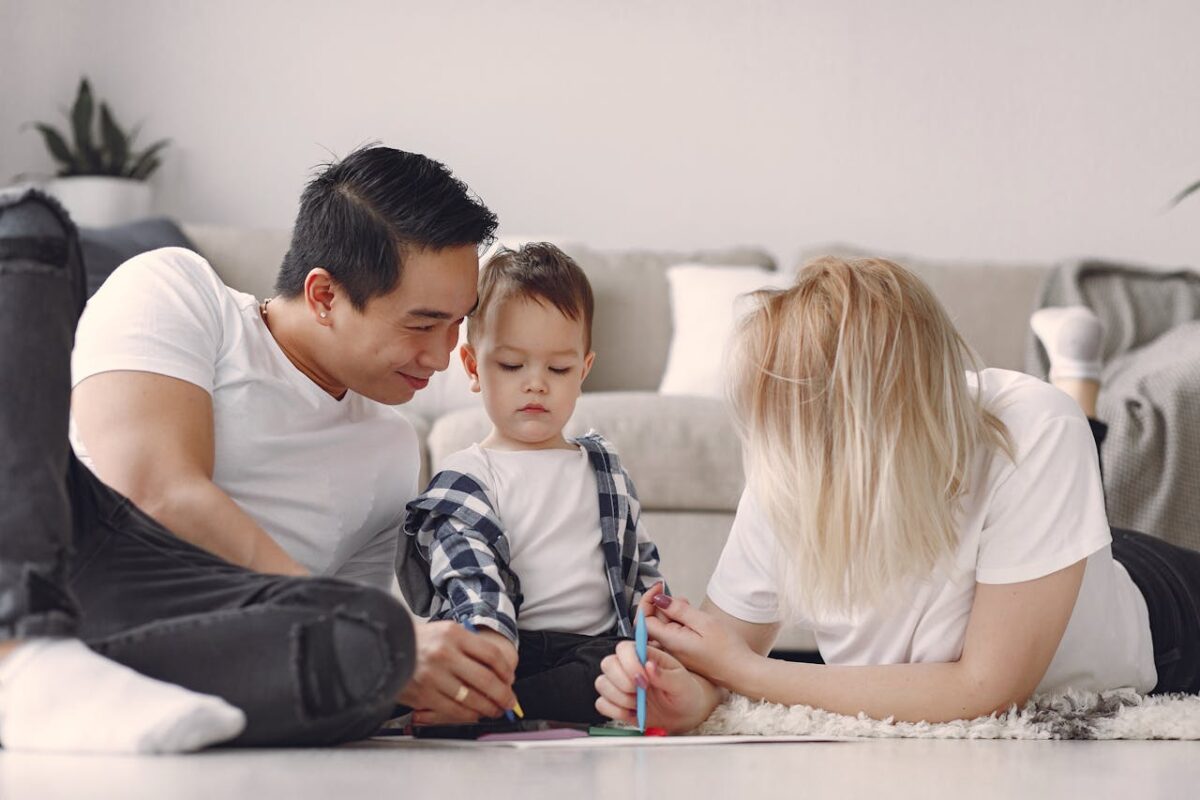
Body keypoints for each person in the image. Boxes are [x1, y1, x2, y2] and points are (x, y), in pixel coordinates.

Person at [0, 146, 515, 753]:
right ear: (324, 295)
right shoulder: (181, 290)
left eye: (457, 324)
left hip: (213, 638)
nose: (441, 355)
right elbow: (156, 494)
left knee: (376, 643)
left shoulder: (392, 446)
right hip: (83, 563)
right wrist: (382, 633)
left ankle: (89, 697)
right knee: (28, 225)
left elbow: (340, 631)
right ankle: (23, 651)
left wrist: (424, 670)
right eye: (421, 324)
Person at [593, 256, 1200, 733]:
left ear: (864, 420)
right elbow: (718, 657)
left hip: (1151, 607)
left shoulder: (1034, 427)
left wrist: (748, 672)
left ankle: (1076, 379)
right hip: (1031, 551)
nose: (777, 444)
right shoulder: (793, 455)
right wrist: (675, 689)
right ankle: (1077, 373)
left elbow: (983, 691)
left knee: (1061, 428)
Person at [398, 243, 667, 723]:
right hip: (506, 644)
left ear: (583, 371)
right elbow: (468, 572)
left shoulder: (603, 468)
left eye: (558, 369)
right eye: (511, 365)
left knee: (627, 670)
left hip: (593, 650)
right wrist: (490, 644)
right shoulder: (469, 475)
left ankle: (490, 712)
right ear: (474, 367)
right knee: (472, 668)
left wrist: (655, 611)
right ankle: (485, 700)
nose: (536, 384)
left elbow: (639, 561)